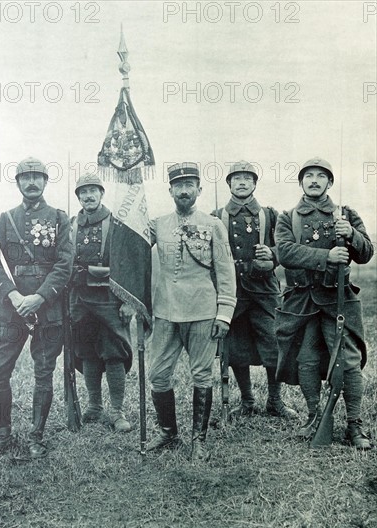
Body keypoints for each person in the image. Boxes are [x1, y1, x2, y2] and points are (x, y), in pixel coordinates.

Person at [275, 157, 374, 449]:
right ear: (302, 182)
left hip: (338, 299)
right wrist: (325, 257)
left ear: (330, 183)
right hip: (302, 300)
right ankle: (313, 417)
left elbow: (367, 252)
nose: (315, 180)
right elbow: (284, 252)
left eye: (321, 176)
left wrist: (351, 235)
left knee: (348, 363)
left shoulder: (345, 214)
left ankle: (355, 426)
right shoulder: (288, 217)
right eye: (309, 176)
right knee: (306, 360)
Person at [0, 157, 73, 460]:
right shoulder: (6, 219)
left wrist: (41, 297)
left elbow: (64, 264)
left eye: (37, 177)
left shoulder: (59, 218)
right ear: (18, 183)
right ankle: (2, 437)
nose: (31, 182)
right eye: (25, 177)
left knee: (44, 372)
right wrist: (13, 295)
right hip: (11, 309)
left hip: (48, 310)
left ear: (46, 182)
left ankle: (36, 437)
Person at [147, 162, 236, 460]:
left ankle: (199, 439)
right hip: (166, 313)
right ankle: (168, 433)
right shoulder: (158, 224)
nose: (184, 190)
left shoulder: (213, 225)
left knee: (202, 375)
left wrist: (224, 313)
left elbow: (226, 272)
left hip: (202, 311)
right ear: (170, 190)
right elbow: (131, 250)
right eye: (178, 185)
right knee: (158, 375)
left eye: (190, 185)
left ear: (199, 189)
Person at [213, 161, 297, 419]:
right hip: (233, 293)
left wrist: (271, 256)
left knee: (274, 344)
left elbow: (287, 246)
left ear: (255, 184)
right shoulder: (216, 216)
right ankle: (247, 400)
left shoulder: (270, 215)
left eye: (247, 178)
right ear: (229, 184)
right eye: (236, 178)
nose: (241, 182)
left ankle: (275, 400)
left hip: (264, 292)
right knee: (235, 347)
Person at [69, 173, 134, 432]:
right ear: (79, 197)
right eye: (83, 192)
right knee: (86, 352)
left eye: (93, 190)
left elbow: (129, 264)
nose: (88, 196)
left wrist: (128, 301)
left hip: (110, 299)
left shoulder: (116, 223)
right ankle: (94, 406)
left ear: (101, 193)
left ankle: (117, 411)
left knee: (114, 353)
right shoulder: (71, 224)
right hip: (80, 300)